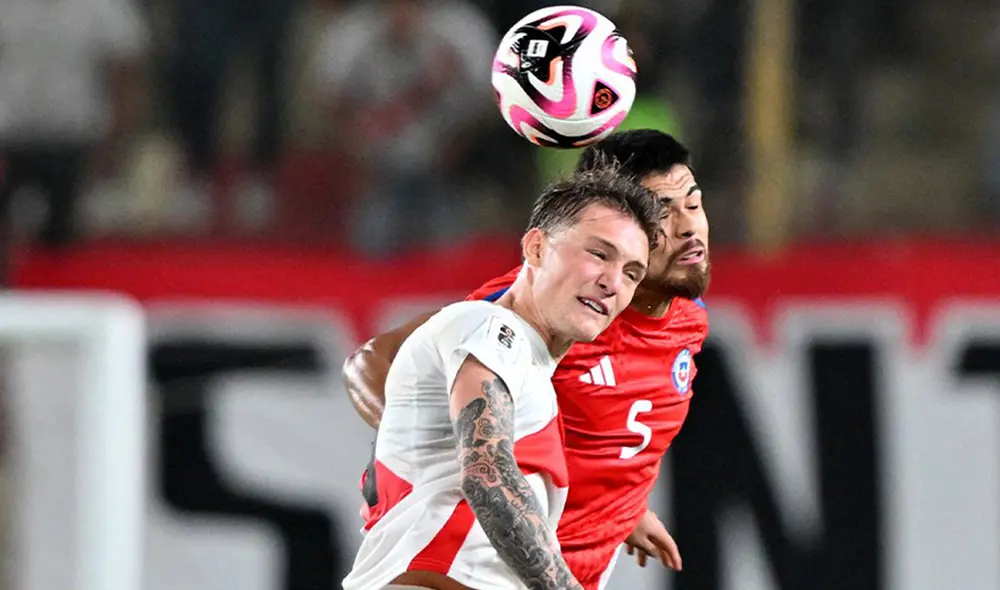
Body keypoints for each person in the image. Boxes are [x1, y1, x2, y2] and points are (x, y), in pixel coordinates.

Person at [343, 129, 711, 589]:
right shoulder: (510, 319)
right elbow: (385, 365)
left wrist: (624, 505)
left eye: (694, 205)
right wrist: (415, 443)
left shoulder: (683, 320)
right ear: (538, 248)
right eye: (663, 215)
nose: (689, 228)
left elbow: (611, 433)